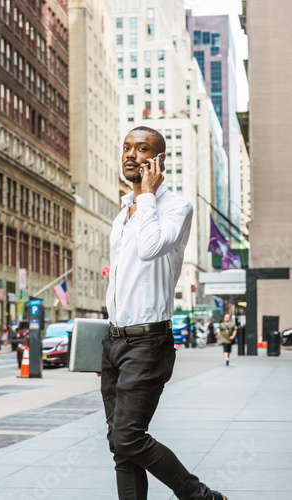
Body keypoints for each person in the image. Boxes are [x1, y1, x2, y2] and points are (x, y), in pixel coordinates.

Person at [101, 126, 228, 500]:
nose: (130, 155)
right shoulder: (123, 211)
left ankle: (199, 495)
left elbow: (150, 247)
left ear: (158, 160)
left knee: (128, 435)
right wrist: (106, 340)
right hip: (115, 341)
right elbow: (120, 282)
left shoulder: (175, 207)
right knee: (119, 444)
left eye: (141, 149)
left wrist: (146, 198)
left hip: (148, 341)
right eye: (126, 147)